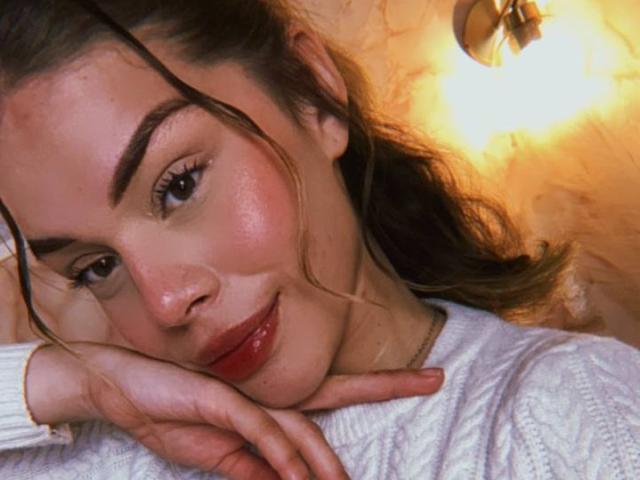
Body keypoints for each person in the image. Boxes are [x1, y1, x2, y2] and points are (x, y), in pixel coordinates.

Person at [0, 0, 638, 479]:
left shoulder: (570, 411)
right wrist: (62, 384)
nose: (166, 302)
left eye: (179, 186)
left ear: (314, 94)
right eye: (96, 266)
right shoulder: (113, 448)